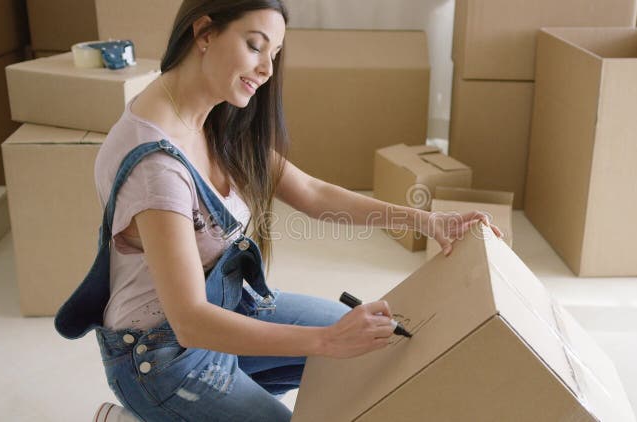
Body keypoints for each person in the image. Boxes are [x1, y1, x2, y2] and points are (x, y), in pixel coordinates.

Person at [56, 0, 503, 420]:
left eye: (275, 52)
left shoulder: (214, 111)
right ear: (204, 32)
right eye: (254, 45)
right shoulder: (157, 165)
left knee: (377, 347)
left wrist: (424, 219)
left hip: (230, 310)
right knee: (338, 345)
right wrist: (328, 341)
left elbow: (311, 191)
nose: (267, 69)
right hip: (164, 357)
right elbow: (190, 321)